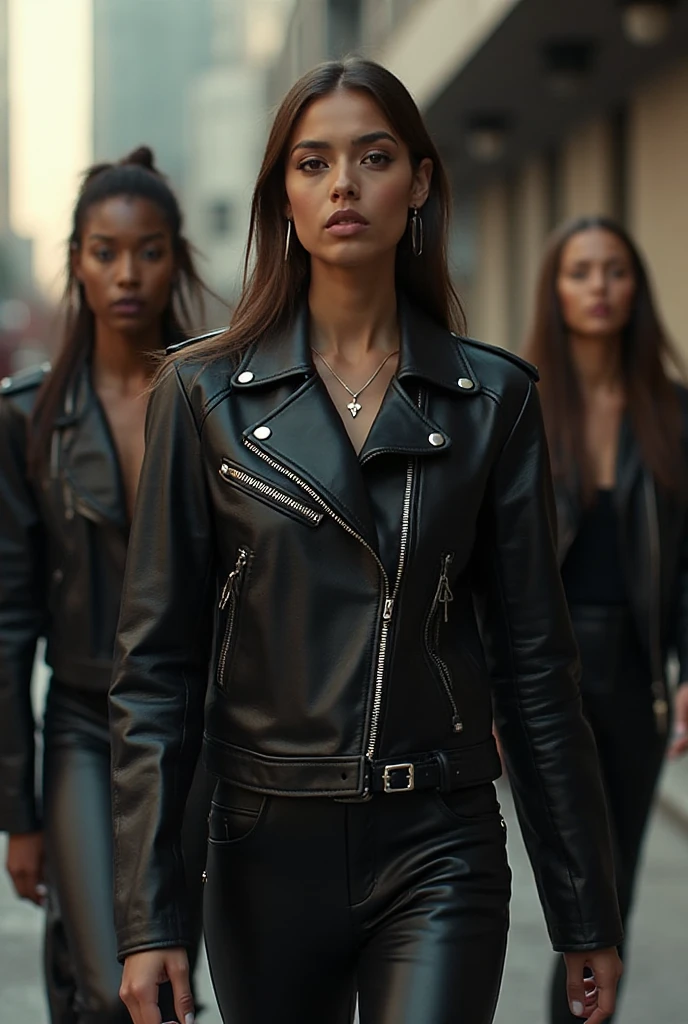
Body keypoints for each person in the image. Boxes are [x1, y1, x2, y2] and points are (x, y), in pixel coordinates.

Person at [110, 60, 624, 1024]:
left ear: (420, 182)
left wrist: (584, 907)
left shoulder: (494, 401)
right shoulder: (200, 397)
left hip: (440, 839)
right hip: (265, 843)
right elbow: (156, 672)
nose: (343, 184)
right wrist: (149, 919)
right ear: (284, 196)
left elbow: (536, 671)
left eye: (373, 157)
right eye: (313, 163)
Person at [0, 147, 213, 1023]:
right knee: (106, 984)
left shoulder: (219, 402)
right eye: (104, 251)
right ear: (77, 262)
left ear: (176, 259)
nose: (128, 273)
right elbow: (10, 622)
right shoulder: (28, 419)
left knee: (170, 986)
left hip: (207, 728)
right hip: (87, 726)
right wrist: (18, 808)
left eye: (150, 250)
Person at [523, 214, 688, 1024]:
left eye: (615, 270)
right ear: (554, 289)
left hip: (631, 676)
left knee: (610, 884)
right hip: (545, 676)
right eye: (581, 271)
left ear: (636, 289)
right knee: (576, 882)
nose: (599, 286)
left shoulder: (674, 414)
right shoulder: (518, 407)